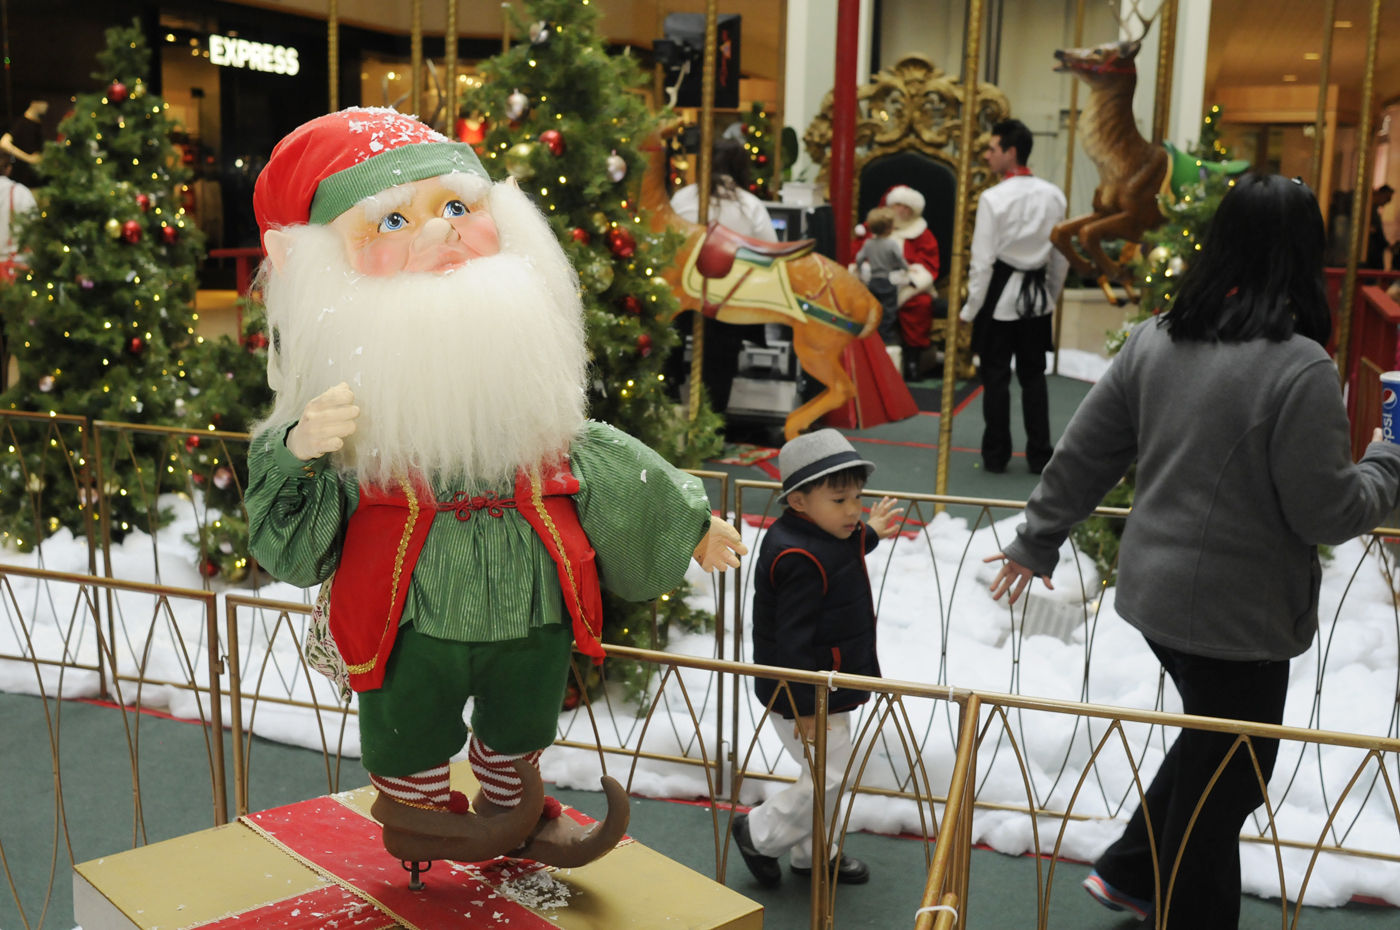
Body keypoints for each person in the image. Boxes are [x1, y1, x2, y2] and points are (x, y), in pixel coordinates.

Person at [245, 108, 747, 870]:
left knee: (523, 712)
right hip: (409, 607)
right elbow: (289, 537)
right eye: (393, 221)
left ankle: (516, 808)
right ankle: (419, 818)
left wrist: (691, 522)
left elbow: (598, 454)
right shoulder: (352, 414)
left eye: (457, 207)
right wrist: (298, 449)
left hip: (530, 596)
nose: (443, 233)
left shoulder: (528, 399)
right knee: (409, 719)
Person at [982, 173, 1400, 929]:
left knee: (1215, 751)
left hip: (1158, 599)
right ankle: (1178, 907)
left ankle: (1132, 871)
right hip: (1237, 621)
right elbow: (1327, 512)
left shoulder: (1156, 338)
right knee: (1231, 782)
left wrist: (1036, 538)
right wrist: (1388, 461)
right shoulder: (1299, 366)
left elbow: (1086, 451)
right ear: (1305, 256)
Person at [732, 429, 903, 889]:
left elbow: (843, 550)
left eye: (858, 499)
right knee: (828, 777)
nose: (853, 511)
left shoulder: (824, 535)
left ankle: (815, 855)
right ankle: (759, 834)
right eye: (840, 500)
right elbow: (792, 645)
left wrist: (872, 534)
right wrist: (805, 708)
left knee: (825, 774)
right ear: (800, 502)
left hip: (828, 684)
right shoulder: (796, 557)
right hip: (805, 694)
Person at [958, 118, 1068, 474]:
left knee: (996, 377)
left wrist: (971, 308)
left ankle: (996, 454)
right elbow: (1060, 255)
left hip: (999, 294)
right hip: (1037, 296)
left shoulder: (993, 198)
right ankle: (1040, 454)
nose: (987, 155)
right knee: (1034, 376)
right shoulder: (1054, 195)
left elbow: (982, 261)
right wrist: (1050, 293)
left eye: (993, 149)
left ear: (1011, 151)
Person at [670, 135, 776, 415]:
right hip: (727, 297)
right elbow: (769, 248)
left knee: (672, 344)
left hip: (681, 291)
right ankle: (712, 421)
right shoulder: (749, 205)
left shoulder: (683, 198)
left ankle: (672, 411)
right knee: (721, 357)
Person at [853, 184, 940, 379]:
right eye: (897, 205)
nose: (900, 211)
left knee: (920, 305)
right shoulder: (873, 228)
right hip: (872, 281)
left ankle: (912, 361)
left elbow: (927, 263)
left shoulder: (922, 233)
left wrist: (908, 278)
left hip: (908, 287)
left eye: (906, 207)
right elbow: (856, 254)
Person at [853, 205, 910, 348]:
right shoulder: (891, 244)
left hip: (873, 282)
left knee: (874, 310)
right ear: (888, 228)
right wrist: (907, 269)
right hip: (887, 281)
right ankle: (886, 338)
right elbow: (900, 259)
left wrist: (858, 269)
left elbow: (859, 258)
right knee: (888, 312)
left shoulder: (868, 243)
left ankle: (873, 336)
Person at [0, 101, 48, 190]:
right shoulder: (22, 123)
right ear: (34, 103)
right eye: (44, 102)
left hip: (35, 181)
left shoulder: (37, 124)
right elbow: (4, 143)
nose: (46, 106)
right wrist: (29, 158)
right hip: (24, 182)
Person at [1364, 184, 1393, 271]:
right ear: (1381, 194)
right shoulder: (1370, 210)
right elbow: (1376, 232)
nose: (1387, 202)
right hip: (1371, 255)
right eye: (1387, 198)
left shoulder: (1373, 210)